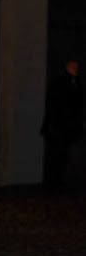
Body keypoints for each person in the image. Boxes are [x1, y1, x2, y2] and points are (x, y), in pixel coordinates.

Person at [41, 59, 83, 189]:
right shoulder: (62, 83)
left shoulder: (75, 83)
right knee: (57, 156)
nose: (76, 69)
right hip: (60, 127)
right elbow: (55, 107)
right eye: (73, 67)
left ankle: (58, 182)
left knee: (63, 156)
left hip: (65, 127)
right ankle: (54, 182)